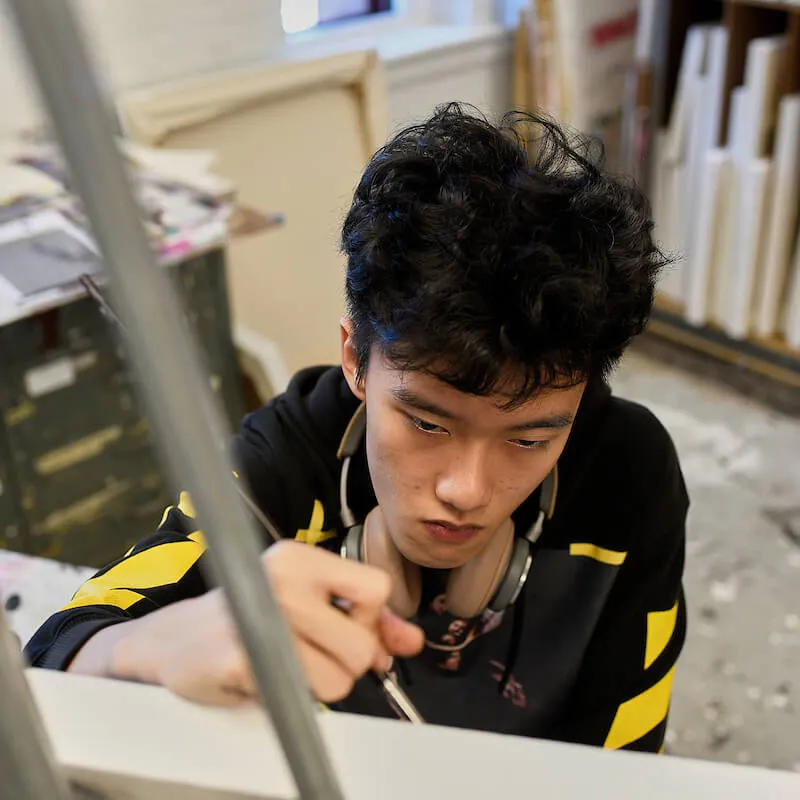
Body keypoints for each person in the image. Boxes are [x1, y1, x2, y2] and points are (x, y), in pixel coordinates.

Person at [25, 104, 687, 752]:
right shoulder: (282, 462)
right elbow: (52, 657)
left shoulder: (627, 474)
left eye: (528, 440)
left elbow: (628, 767)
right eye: (428, 423)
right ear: (355, 361)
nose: (465, 489)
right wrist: (141, 648)